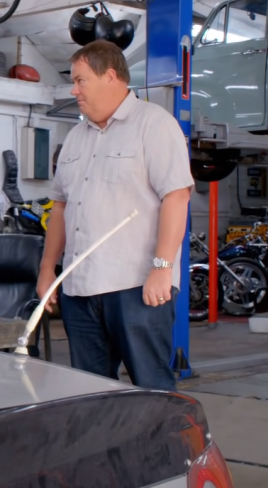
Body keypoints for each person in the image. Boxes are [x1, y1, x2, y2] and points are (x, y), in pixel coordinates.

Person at [37, 40, 193, 391]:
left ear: (110, 76)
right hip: (79, 290)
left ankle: (159, 448)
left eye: (80, 80)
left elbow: (177, 196)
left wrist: (162, 268)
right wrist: (49, 269)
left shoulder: (154, 125)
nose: (74, 90)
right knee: (90, 392)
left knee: (150, 389)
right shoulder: (76, 137)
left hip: (136, 287)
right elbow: (60, 206)